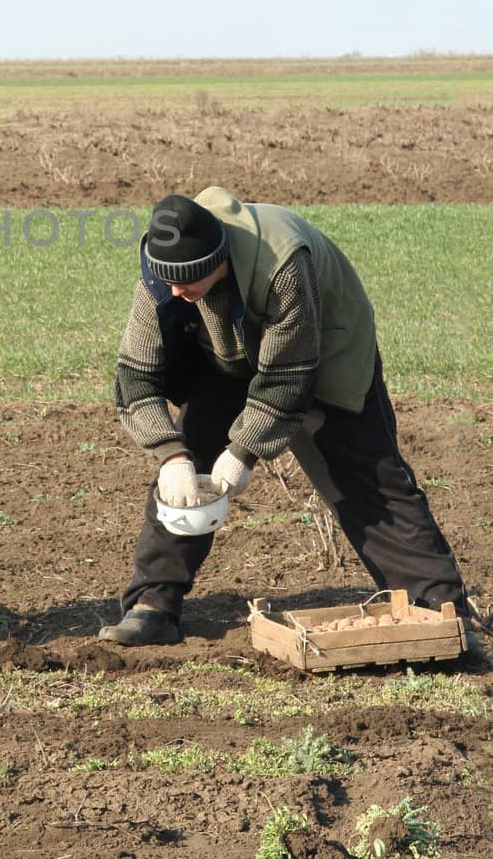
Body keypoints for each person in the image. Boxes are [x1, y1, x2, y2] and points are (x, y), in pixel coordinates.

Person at [100, 187, 471, 646]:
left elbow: (288, 377)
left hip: (323, 346)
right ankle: (153, 606)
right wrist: (170, 455)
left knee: (365, 476)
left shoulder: (281, 260)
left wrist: (244, 452)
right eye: (168, 281)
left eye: (187, 282)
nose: (175, 291)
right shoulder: (165, 270)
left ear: (215, 261)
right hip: (226, 352)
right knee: (189, 462)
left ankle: (440, 608)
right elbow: (135, 374)